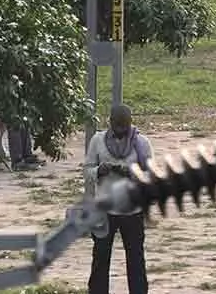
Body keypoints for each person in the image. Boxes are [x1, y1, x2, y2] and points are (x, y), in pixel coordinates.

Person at [83, 104, 154, 294]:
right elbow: (87, 170)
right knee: (100, 258)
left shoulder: (142, 143)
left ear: (131, 124)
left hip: (132, 211)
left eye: (125, 127)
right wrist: (99, 170)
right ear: (110, 123)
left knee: (136, 259)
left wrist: (131, 173)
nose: (121, 131)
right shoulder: (97, 141)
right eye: (117, 127)